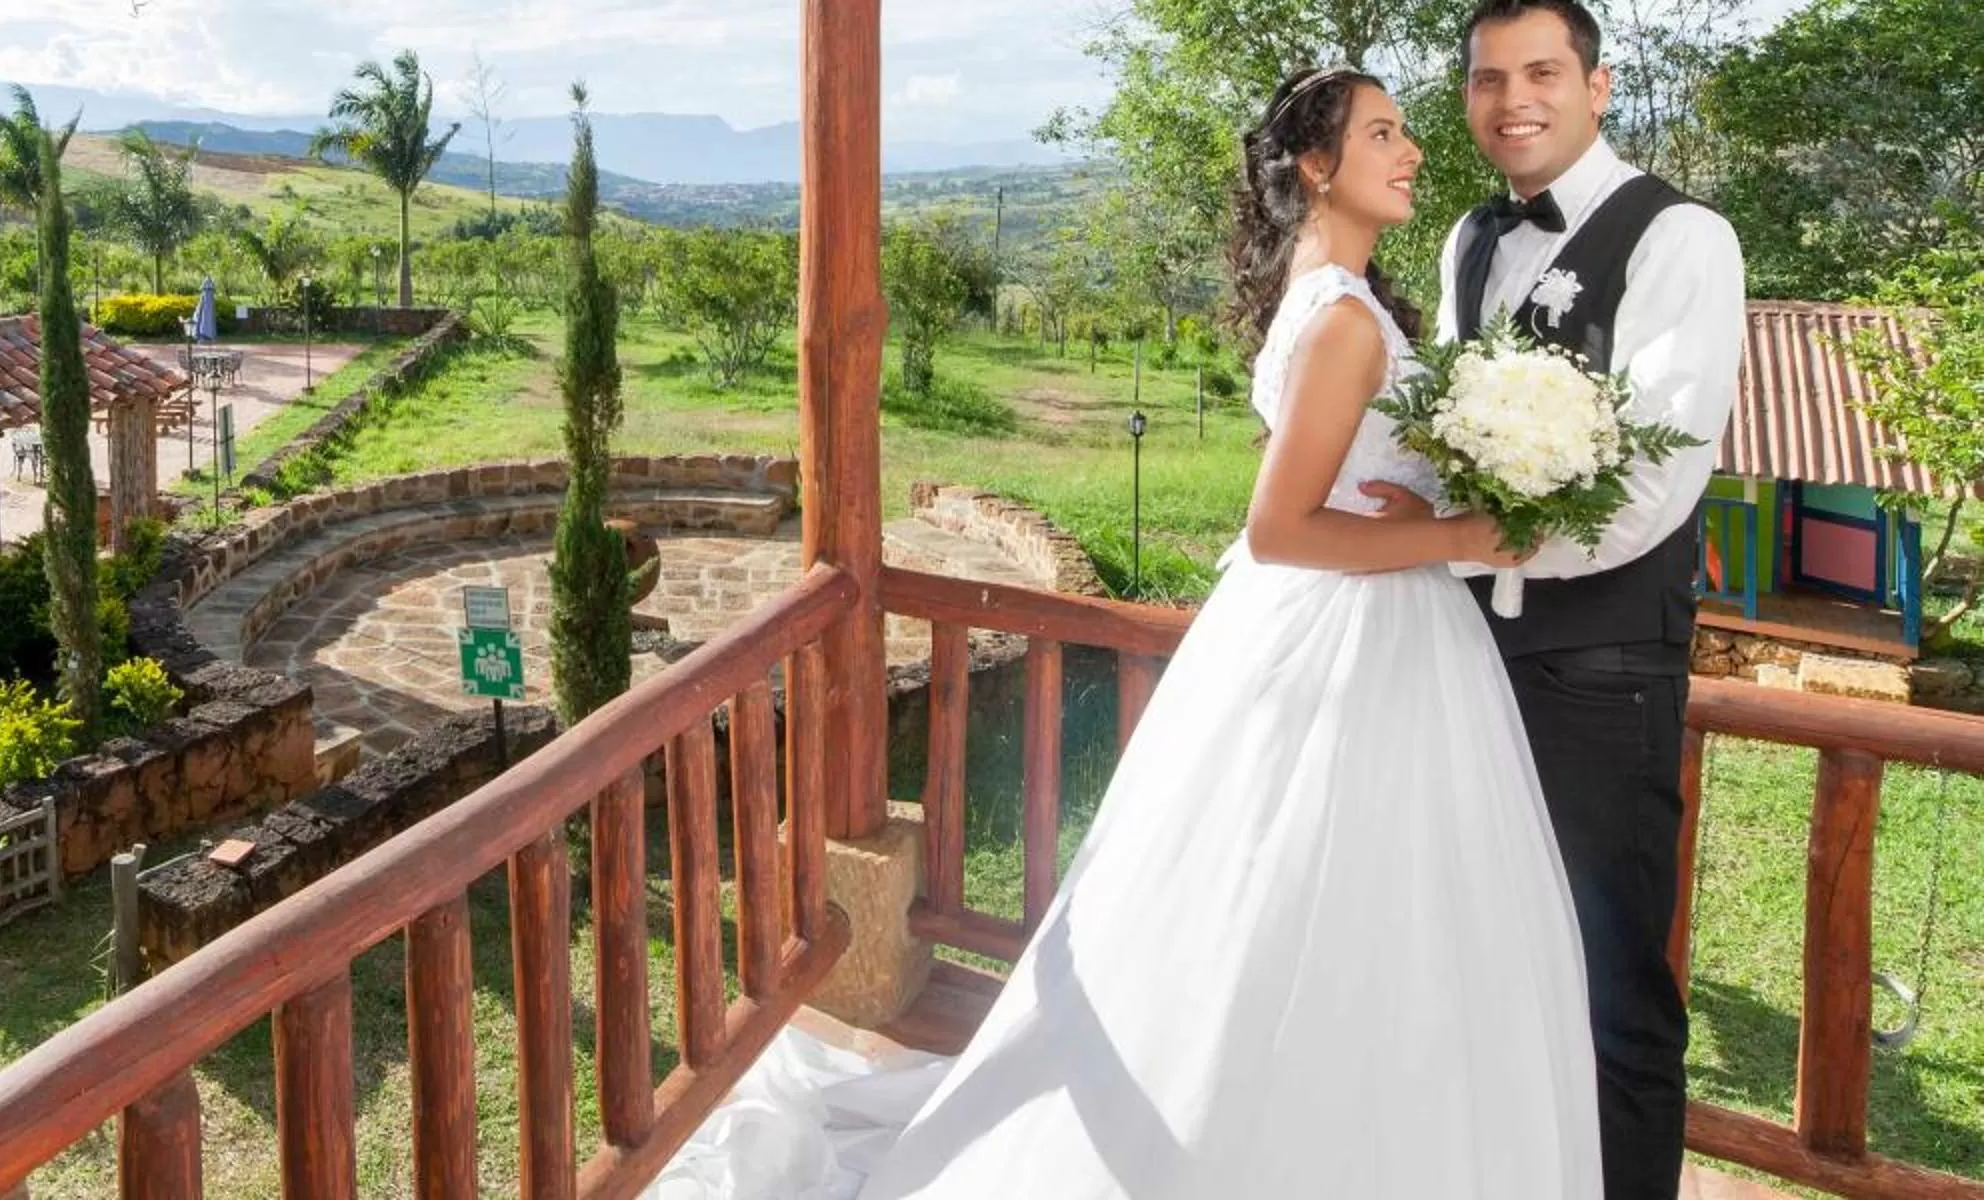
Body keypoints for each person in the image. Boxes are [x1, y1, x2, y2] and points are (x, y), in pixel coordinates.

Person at [653, 66, 1598, 1200]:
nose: (1412, 153)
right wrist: (1467, 530)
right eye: (1383, 134)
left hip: (1342, 635)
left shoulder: (1325, 291)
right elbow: (1283, 527)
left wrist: (1445, 498)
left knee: (1279, 905)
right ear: (1315, 165)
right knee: (1343, 912)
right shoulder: (1346, 319)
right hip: (1352, 638)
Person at [1402, 0, 1745, 1200]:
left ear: (1597, 86)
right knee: (1483, 958)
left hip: (1604, 672)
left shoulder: (1682, 238)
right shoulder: (1470, 238)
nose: (1515, 100)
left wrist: (1446, 545)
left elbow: (1653, 481)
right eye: (1491, 78)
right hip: (1462, 658)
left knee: (1613, 994)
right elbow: (1445, 418)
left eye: (1543, 73)